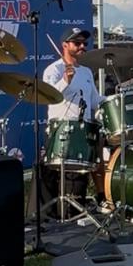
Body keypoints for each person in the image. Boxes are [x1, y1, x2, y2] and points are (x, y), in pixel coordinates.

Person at [32, 26, 106, 215]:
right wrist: (65, 80)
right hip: (62, 129)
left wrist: (116, 99)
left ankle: (77, 209)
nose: (82, 46)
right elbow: (49, 95)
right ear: (65, 45)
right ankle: (50, 212)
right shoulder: (54, 70)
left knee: (81, 172)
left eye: (84, 43)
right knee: (56, 172)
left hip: (83, 130)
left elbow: (95, 101)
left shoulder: (87, 72)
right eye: (77, 43)